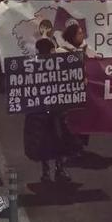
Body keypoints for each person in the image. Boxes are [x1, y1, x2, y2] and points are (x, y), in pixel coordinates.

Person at [23, 38, 81, 183]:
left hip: (40, 112)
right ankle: (58, 169)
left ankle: (47, 172)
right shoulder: (57, 66)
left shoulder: (31, 66)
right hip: (53, 112)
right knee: (57, 140)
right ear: (50, 50)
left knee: (44, 142)